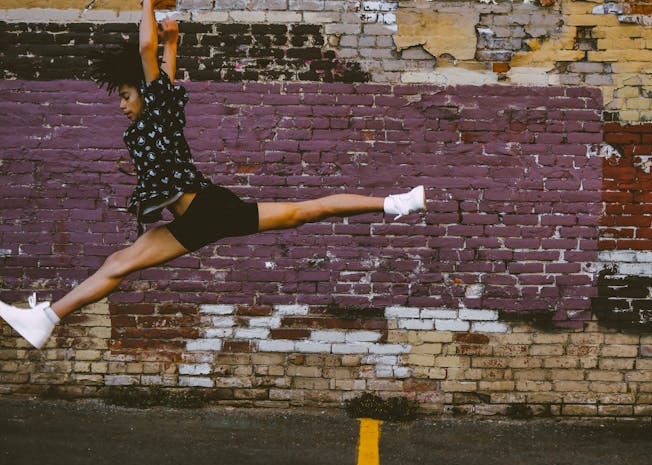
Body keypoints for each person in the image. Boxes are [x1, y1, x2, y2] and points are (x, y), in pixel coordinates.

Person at [0, 0, 426, 350]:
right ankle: (46, 319)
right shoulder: (160, 113)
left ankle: (47, 318)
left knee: (300, 212)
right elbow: (161, 65)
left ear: (144, 95)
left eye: (127, 95)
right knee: (299, 212)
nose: (122, 105)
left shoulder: (157, 114)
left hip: (204, 209)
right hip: (200, 213)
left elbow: (146, 53)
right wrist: (175, 40)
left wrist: (148, 5)